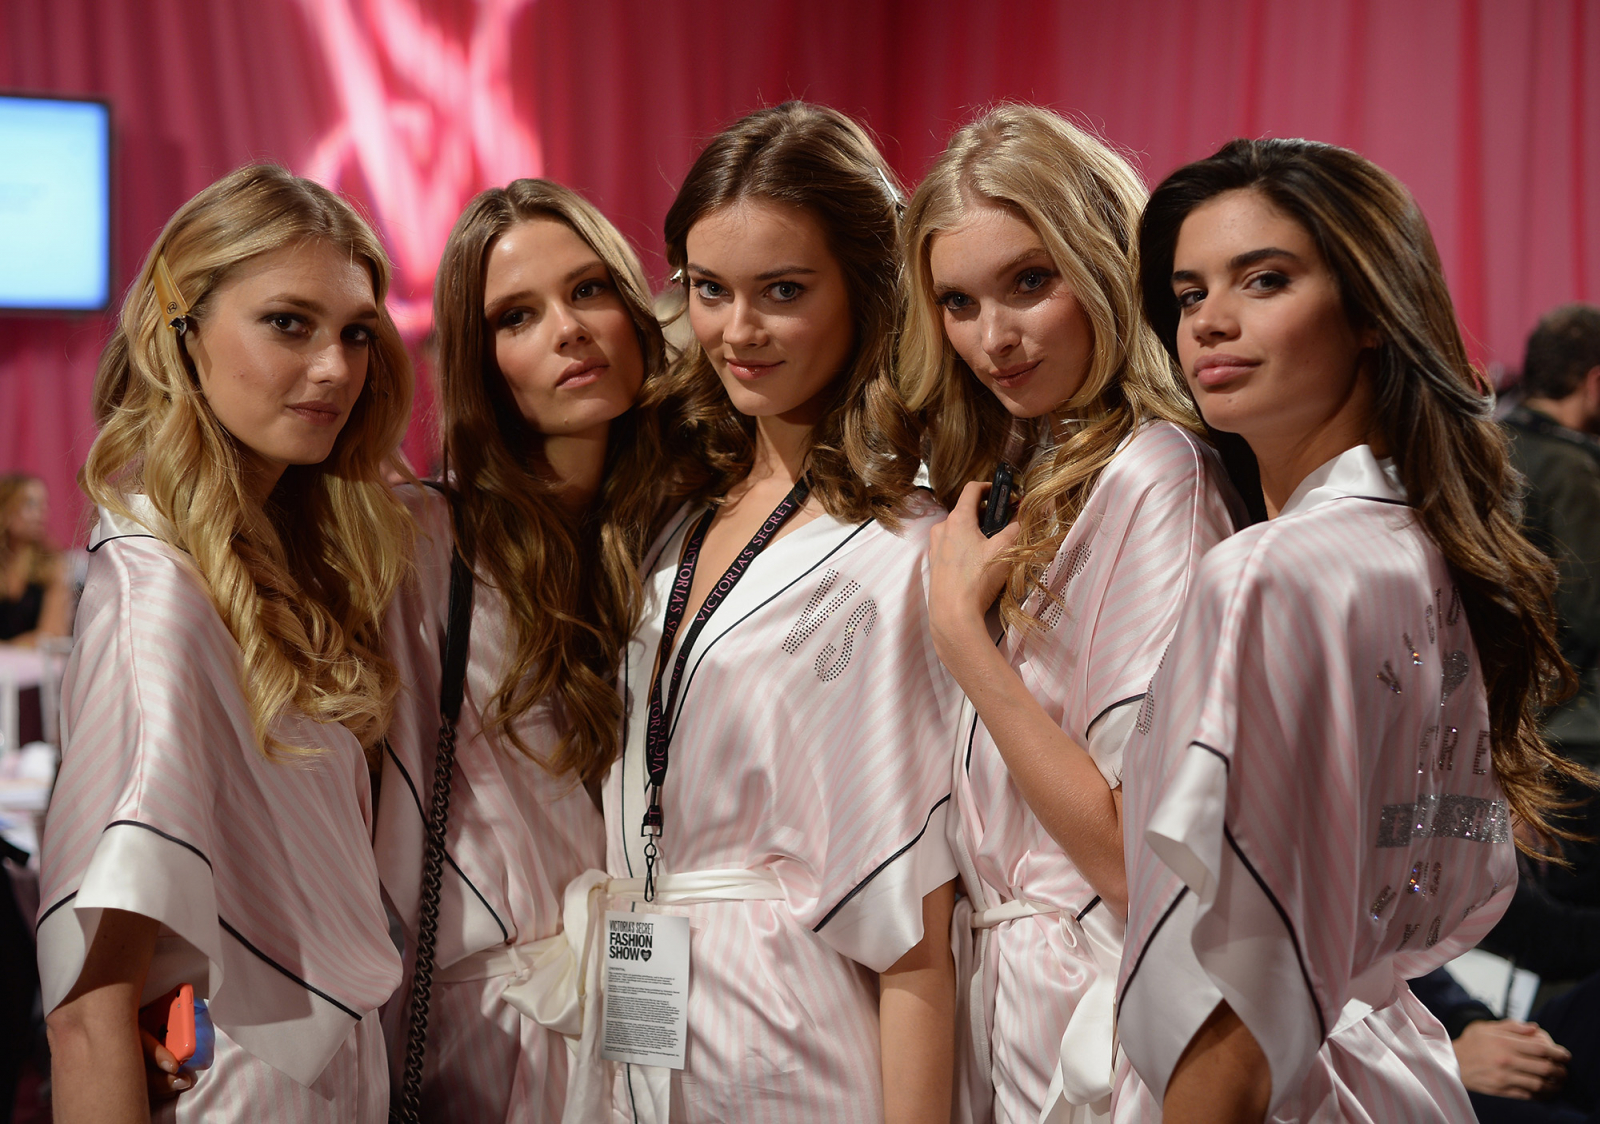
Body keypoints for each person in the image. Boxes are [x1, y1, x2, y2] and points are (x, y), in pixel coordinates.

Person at [1114, 138, 1585, 1123]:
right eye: (1189, 292)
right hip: (1402, 1070)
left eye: (1265, 278)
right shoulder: (1425, 545)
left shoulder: (1266, 573)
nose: (1211, 322)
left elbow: (1232, 1011)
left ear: (1371, 309)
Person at [566, 101, 962, 1124]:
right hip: (647, 1007)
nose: (737, 331)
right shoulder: (670, 510)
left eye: (782, 291)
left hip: (798, 1041)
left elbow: (916, 917)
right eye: (709, 289)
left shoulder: (902, 543)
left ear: (867, 288)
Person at [37, 164, 414, 1123]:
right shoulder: (158, 593)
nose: (334, 368)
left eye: (356, 334)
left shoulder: (287, 568)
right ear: (181, 327)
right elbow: (89, 1005)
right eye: (289, 322)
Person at [898, 105, 1239, 1124]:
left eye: (1028, 283)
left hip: (1112, 1007)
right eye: (956, 301)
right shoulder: (1009, 467)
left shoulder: (1159, 473)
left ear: (1100, 266)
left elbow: (1135, 854)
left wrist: (964, 640)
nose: (990, 337)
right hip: (1009, 999)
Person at [374, 179, 665, 1122]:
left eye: (589, 291)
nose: (568, 331)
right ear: (481, 358)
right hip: (489, 1038)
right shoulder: (423, 545)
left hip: (657, 988)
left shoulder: (697, 534)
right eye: (518, 316)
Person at [0, 474, 70, 647]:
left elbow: (53, 634)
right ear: (5, 508)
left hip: (35, 669)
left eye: (43, 504)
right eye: (30, 504)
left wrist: (8, 649)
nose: (42, 513)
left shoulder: (52, 563)